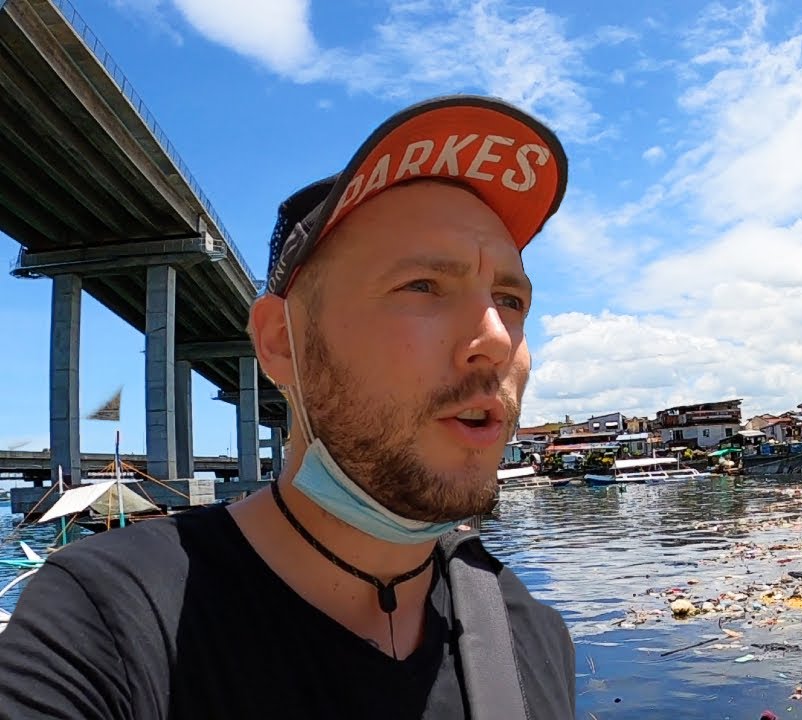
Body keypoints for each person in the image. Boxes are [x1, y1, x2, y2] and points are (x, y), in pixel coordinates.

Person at [0, 96, 575, 719]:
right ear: (279, 343)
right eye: (423, 286)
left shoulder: (530, 637)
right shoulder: (104, 626)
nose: (496, 338)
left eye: (512, 299)